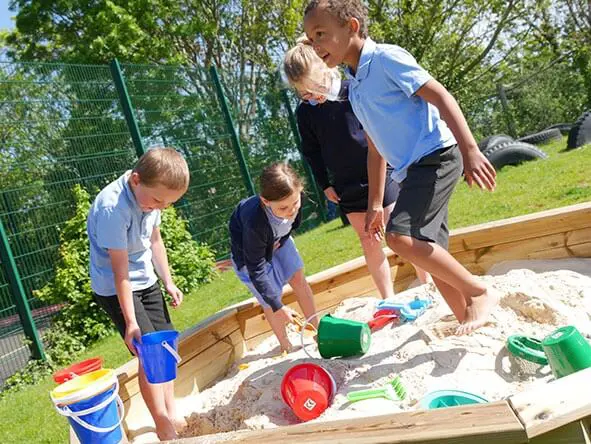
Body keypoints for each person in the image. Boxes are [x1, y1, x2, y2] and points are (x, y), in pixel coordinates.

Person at [302, 0, 500, 334]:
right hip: (411, 169)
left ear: (351, 26)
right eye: (310, 38)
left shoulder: (386, 59)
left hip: (436, 155)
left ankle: (479, 292)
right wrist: (375, 203)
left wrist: (471, 150)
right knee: (428, 250)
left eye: (321, 34)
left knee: (400, 238)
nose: (316, 45)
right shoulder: (356, 86)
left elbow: (441, 96)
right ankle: (469, 317)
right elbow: (376, 148)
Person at [283, 39, 432, 301]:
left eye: (313, 88)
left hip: (380, 171)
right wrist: (325, 184)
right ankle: (388, 298)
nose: (311, 96)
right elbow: (311, 151)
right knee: (369, 241)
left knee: (401, 232)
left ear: (326, 70)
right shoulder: (306, 113)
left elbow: (378, 133)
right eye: (302, 93)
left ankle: (427, 282)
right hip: (346, 183)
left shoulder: (353, 93)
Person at [87, 147, 189, 440]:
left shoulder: (152, 202)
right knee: (149, 353)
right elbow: (120, 272)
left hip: (145, 280)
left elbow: (155, 241)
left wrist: (167, 281)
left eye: (167, 204)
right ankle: (161, 422)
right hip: (116, 287)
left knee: (166, 347)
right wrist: (131, 322)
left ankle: (171, 410)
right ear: (135, 180)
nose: (160, 207)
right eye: (158, 200)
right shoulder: (112, 208)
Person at [229, 162, 318, 352]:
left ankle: (318, 330)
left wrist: (275, 244)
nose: (291, 210)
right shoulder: (255, 222)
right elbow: (256, 269)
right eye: (283, 208)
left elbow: (290, 227)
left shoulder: (295, 200)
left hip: (276, 241)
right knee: (271, 298)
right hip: (250, 257)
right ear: (265, 201)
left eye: (295, 203)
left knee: (298, 278)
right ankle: (286, 344)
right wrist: (279, 306)